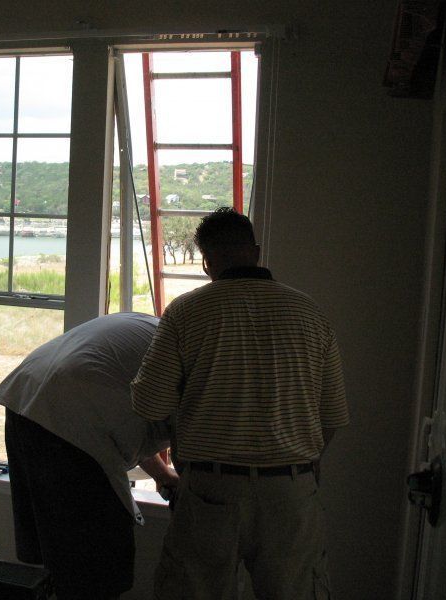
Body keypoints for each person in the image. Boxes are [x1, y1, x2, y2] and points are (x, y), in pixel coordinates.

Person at [131, 208, 349, 600]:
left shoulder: (186, 312)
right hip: (290, 491)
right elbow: (331, 416)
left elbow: (148, 404)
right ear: (257, 251)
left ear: (206, 261)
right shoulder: (310, 313)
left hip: (209, 491)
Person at [0, 312, 179, 600]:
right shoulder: (188, 360)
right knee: (99, 564)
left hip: (26, 399)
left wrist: (163, 475)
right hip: (69, 416)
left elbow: (123, 418)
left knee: (62, 554)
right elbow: (178, 434)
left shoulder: (152, 330)